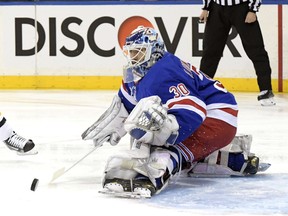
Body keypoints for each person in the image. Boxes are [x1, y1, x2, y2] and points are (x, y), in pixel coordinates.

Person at [82, 26, 262, 198]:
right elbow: (126, 104)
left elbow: (194, 109)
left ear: (155, 50)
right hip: (212, 117)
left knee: (158, 140)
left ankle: (151, 173)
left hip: (216, 119)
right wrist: (117, 124)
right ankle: (222, 157)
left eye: (139, 52)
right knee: (145, 123)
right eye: (131, 52)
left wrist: (165, 135)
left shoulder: (164, 71)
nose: (134, 57)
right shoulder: (139, 71)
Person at [199, 0, 275, 106]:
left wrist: (252, 9)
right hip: (217, 9)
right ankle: (202, 90)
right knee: (210, 52)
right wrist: (206, 8)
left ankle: (266, 90)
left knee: (256, 51)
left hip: (242, 8)